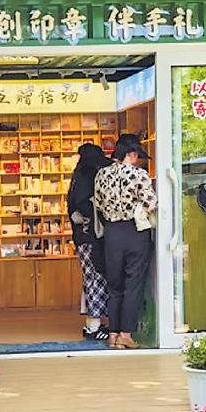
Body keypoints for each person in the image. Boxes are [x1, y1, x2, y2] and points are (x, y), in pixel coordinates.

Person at [93, 134, 157, 350]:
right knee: (133, 284)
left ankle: (113, 334)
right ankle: (126, 334)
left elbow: (99, 205)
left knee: (114, 285)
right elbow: (150, 203)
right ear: (132, 154)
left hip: (112, 232)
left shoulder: (101, 174)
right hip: (134, 231)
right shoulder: (138, 174)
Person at [67, 143, 111, 342]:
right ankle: (94, 326)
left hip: (81, 237)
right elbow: (85, 206)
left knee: (90, 278)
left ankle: (92, 324)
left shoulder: (78, 177)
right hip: (89, 237)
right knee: (96, 278)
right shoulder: (88, 178)